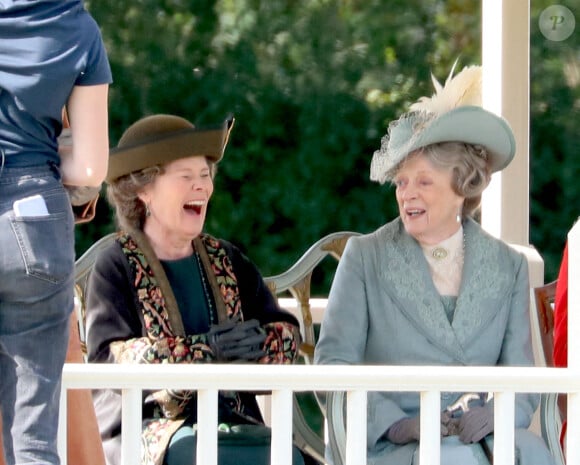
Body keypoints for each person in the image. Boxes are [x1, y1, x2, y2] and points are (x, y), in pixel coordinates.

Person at [314, 64, 555, 465]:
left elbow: (521, 376)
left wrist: (496, 414)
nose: (407, 194)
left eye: (423, 181)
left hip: (484, 440)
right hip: (395, 446)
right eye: (402, 182)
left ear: (463, 185)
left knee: (531, 453)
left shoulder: (508, 265)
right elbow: (332, 368)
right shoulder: (365, 258)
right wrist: (399, 425)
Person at [85, 114, 306, 465]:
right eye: (186, 177)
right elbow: (111, 358)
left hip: (233, 425)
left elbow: (286, 334)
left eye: (205, 175)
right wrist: (206, 351)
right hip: (146, 431)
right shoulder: (116, 265)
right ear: (142, 191)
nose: (202, 186)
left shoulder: (226, 258)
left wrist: (257, 346)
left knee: (287, 456)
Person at [0, 1, 111, 464]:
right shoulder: (76, 26)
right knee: (33, 437)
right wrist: (43, 167)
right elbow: (90, 167)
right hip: (34, 219)